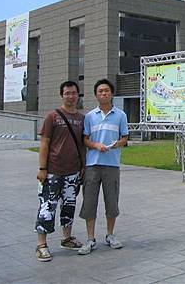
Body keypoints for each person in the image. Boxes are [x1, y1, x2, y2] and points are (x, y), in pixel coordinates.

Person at [34, 81, 85, 262]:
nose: (70, 96)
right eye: (67, 93)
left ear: (78, 95)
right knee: (48, 207)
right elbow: (44, 143)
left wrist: (83, 167)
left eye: (73, 93)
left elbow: (82, 145)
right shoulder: (53, 117)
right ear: (62, 95)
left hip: (73, 172)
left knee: (69, 206)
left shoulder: (81, 118)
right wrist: (42, 168)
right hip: (53, 171)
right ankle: (41, 245)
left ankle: (67, 238)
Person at [78, 79, 128, 255]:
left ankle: (110, 235)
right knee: (90, 201)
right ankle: (90, 238)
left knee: (111, 201)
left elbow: (125, 138)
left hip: (112, 165)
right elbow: (85, 139)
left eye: (107, 91)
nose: (104, 94)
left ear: (112, 94)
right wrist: (96, 145)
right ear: (96, 95)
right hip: (92, 165)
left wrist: (117, 144)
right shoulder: (90, 116)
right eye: (100, 91)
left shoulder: (120, 115)